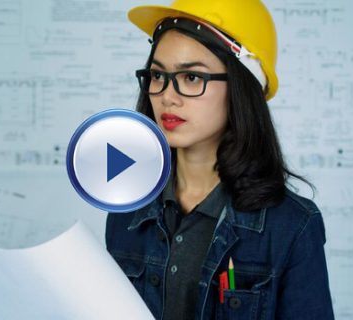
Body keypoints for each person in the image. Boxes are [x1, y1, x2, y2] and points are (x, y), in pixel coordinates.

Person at [105, 0, 335, 319]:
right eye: (158, 75)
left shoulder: (292, 226)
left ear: (240, 87)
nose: (167, 96)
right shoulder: (127, 208)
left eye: (192, 78)